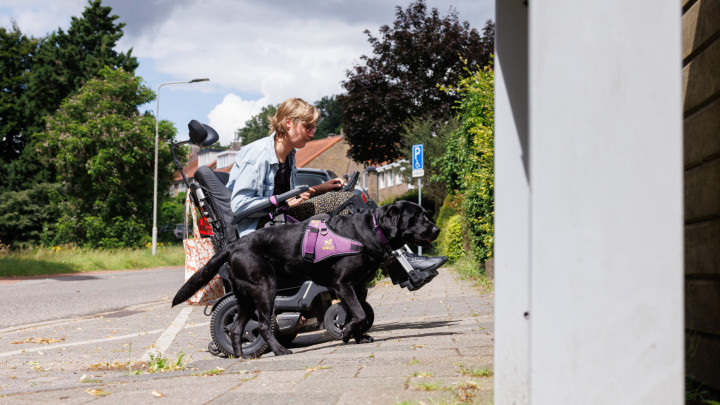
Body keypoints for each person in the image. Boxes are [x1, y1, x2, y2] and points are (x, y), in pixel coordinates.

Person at [226, 97, 446, 290]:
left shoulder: (289, 154)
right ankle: (399, 265)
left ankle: (401, 261)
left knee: (349, 198)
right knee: (334, 225)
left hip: (283, 216)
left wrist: (321, 189)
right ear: (288, 123)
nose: (312, 133)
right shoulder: (257, 155)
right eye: (308, 127)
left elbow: (289, 196)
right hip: (262, 228)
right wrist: (283, 204)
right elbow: (241, 206)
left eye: (314, 128)